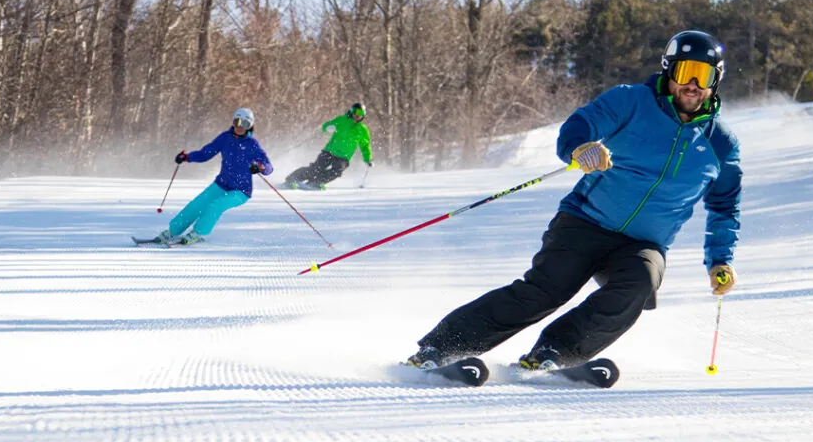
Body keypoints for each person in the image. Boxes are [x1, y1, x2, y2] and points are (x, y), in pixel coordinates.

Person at [406, 30, 742, 373]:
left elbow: (724, 207)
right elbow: (579, 125)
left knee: (640, 285)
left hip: (643, 244)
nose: (694, 85)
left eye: (706, 76)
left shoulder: (721, 145)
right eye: (687, 73)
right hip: (585, 222)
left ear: (716, 82)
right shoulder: (631, 102)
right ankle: (441, 347)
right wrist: (580, 148)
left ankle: (554, 353)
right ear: (670, 71)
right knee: (543, 293)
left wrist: (720, 260)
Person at [156, 108, 272, 245]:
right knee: (196, 206)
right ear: (233, 122)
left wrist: (260, 167)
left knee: (215, 206)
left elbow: (268, 166)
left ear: (250, 126)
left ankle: (198, 233)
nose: (240, 126)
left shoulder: (252, 144)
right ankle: (172, 232)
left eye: (245, 124)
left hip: (240, 191)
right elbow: (206, 153)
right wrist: (188, 157)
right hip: (221, 184)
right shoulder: (225, 138)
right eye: (237, 121)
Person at [285, 103, 373, 190]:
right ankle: (293, 178)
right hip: (330, 151)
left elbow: (365, 146)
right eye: (356, 112)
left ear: (364, 115)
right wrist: (328, 128)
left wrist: (368, 158)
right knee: (316, 169)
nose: (358, 115)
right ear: (351, 111)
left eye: (361, 113)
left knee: (336, 172)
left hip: (344, 157)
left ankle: (316, 182)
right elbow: (325, 126)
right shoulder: (341, 120)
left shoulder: (363, 130)